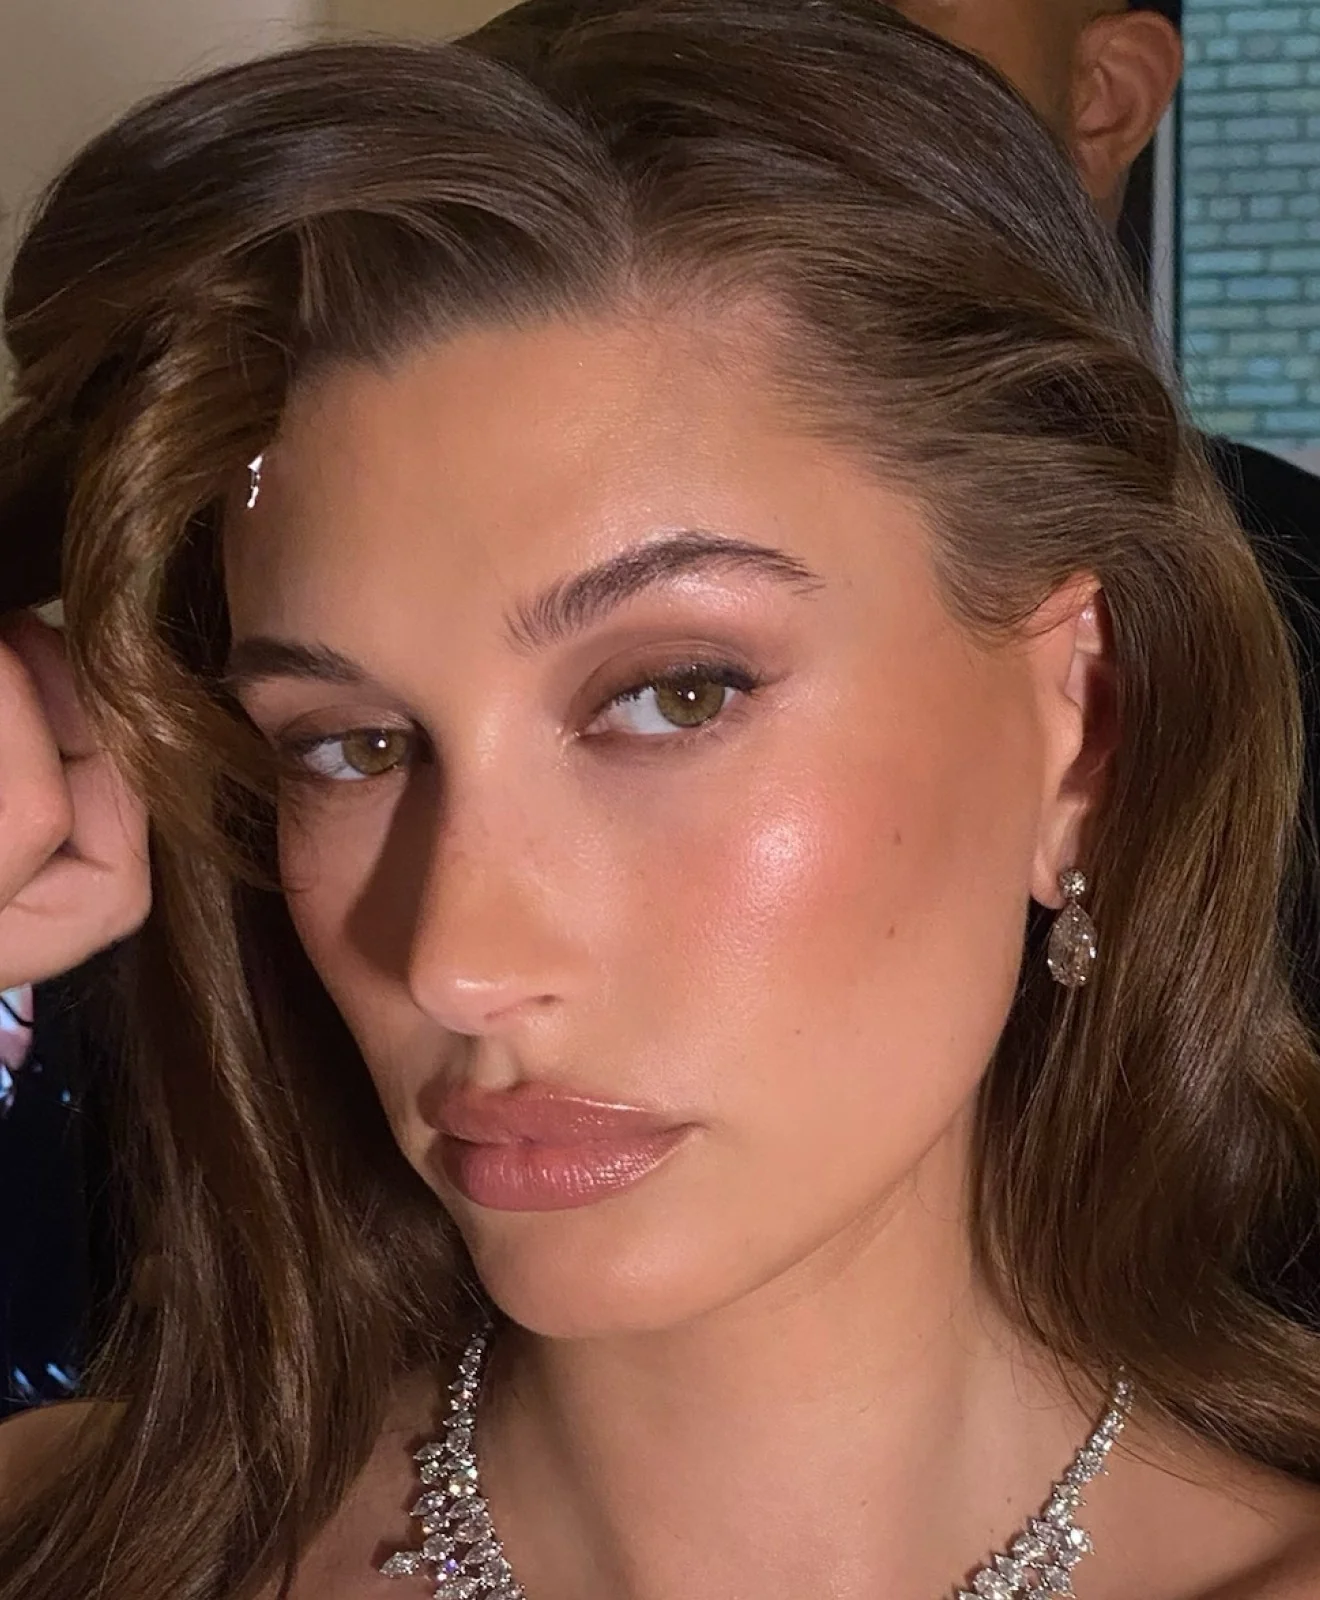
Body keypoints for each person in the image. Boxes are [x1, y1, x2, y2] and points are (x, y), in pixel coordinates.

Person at [2, 2, 1320, 1596]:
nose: (457, 961)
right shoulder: (71, 1539)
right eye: (351, 744)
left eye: (675, 695)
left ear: (1086, 730)